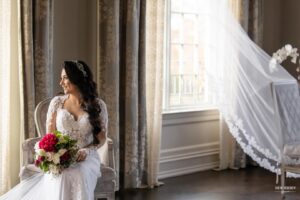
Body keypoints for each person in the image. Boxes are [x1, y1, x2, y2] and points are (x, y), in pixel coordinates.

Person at [0, 60, 108, 200]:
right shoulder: (57, 102)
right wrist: (54, 155)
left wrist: (87, 151)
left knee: (79, 172)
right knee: (61, 173)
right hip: (62, 156)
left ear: (77, 79)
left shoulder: (98, 105)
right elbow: (50, 135)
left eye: (65, 78)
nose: (60, 82)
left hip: (87, 157)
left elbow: (101, 138)